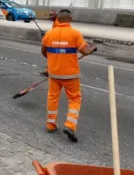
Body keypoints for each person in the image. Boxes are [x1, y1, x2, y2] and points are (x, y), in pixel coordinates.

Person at [41, 9, 96, 142]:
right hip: (70, 75)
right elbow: (85, 51)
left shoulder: (49, 33)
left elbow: (44, 51)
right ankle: (70, 125)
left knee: (52, 98)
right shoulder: (75, 33)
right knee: (75, 99)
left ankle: (50, 125)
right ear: (70, 19)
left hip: (54, 74)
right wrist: (93, 47)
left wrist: (54, 59)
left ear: (58, 19)